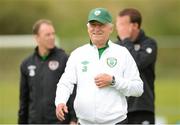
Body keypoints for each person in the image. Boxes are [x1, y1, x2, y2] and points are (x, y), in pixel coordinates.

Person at [55, 8, 143, 124]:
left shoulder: (122, 53)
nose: (96, 29)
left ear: (110, 28)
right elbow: (66, 83)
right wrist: (60, 101)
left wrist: (113, 81)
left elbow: (138, 88)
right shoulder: (78, 54)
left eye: (101, 25)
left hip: (115, 122)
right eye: (93, 25)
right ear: (88, 28)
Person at [18, 19, 77, 124]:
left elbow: (73, 91)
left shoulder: (64, 59)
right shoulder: (26, 64)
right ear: (37, 38)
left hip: (59, 122)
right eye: (47, 35)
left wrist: (73, 119)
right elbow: (24, 99)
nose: (52, 37)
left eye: (53, 34)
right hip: (34, 122)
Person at [116, 8, 157, 124]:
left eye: (122, 24)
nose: (118, 27)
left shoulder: (149, 44)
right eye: (118, 24)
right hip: (120, 108)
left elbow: (136, 63)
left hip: (142, 107)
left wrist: (126, 40)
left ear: (134, 26)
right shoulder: (116, 47)